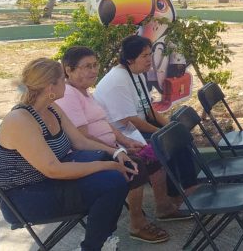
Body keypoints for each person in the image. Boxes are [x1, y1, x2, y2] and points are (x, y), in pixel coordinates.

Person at [0, 58, 134, 251]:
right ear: (50, 86)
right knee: (113, 182)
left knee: (114, 166)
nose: (67, 81)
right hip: (25, 197)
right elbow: (54, 170)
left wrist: (116, 152)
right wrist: (107, 166)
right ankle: (93, 246)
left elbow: (81, 142)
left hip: (50, 180)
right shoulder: (20, 120)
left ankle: (102, 237)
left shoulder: (51, 107)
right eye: (63, 78)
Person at [57, 46, 182, 243]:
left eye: (95, 65)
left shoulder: (85, 92)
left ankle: (163, 207)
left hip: (111, 146)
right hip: (92, 154)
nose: (93, 70)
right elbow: (82, 138)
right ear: (68, 70)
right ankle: (137, 223)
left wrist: (126, 141)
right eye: (87, 66)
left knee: (150, 152)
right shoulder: (69, 95)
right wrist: (117, 150)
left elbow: (104, 124)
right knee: (136, 165)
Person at [94, 35, 198, 210]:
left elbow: (148, 109)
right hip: (125, 134)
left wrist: (170, 127)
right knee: (167, 144)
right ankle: (175, 197)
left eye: (150, 54)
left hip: (137, 127)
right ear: (129, 59)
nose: (150, 59)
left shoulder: (137, 73)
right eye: (144, 56)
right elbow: (130, 120)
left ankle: (189, 188)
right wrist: (163, 134)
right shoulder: (118, 80)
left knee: (180, 137)